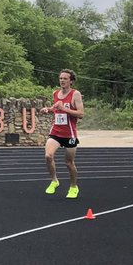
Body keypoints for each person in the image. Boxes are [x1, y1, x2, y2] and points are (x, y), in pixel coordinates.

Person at [43, 69, 83, 198]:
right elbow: (56, 109)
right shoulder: (55, 93)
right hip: (56, 132)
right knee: (48, 156)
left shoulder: (75, 94)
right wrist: (48, 110)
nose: (62, 81)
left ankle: (73, 187)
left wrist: (64, 108)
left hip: (69, 134)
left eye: (65, 78)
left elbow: (81, 114)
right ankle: (54, 180)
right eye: (61, 78)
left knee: (69, 163)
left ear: (71, 81)